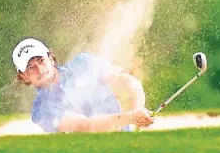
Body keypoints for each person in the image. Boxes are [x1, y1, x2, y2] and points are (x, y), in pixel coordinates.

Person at [11, 37, 155, 133]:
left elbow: (129, 83)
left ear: (50, 59)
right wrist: (131, 117)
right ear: (23, 76)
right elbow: (86, 126)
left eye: (40, 60)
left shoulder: (83, 63)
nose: (39, 69)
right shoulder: (41, 110)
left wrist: (138, 114)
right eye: (30, 67)